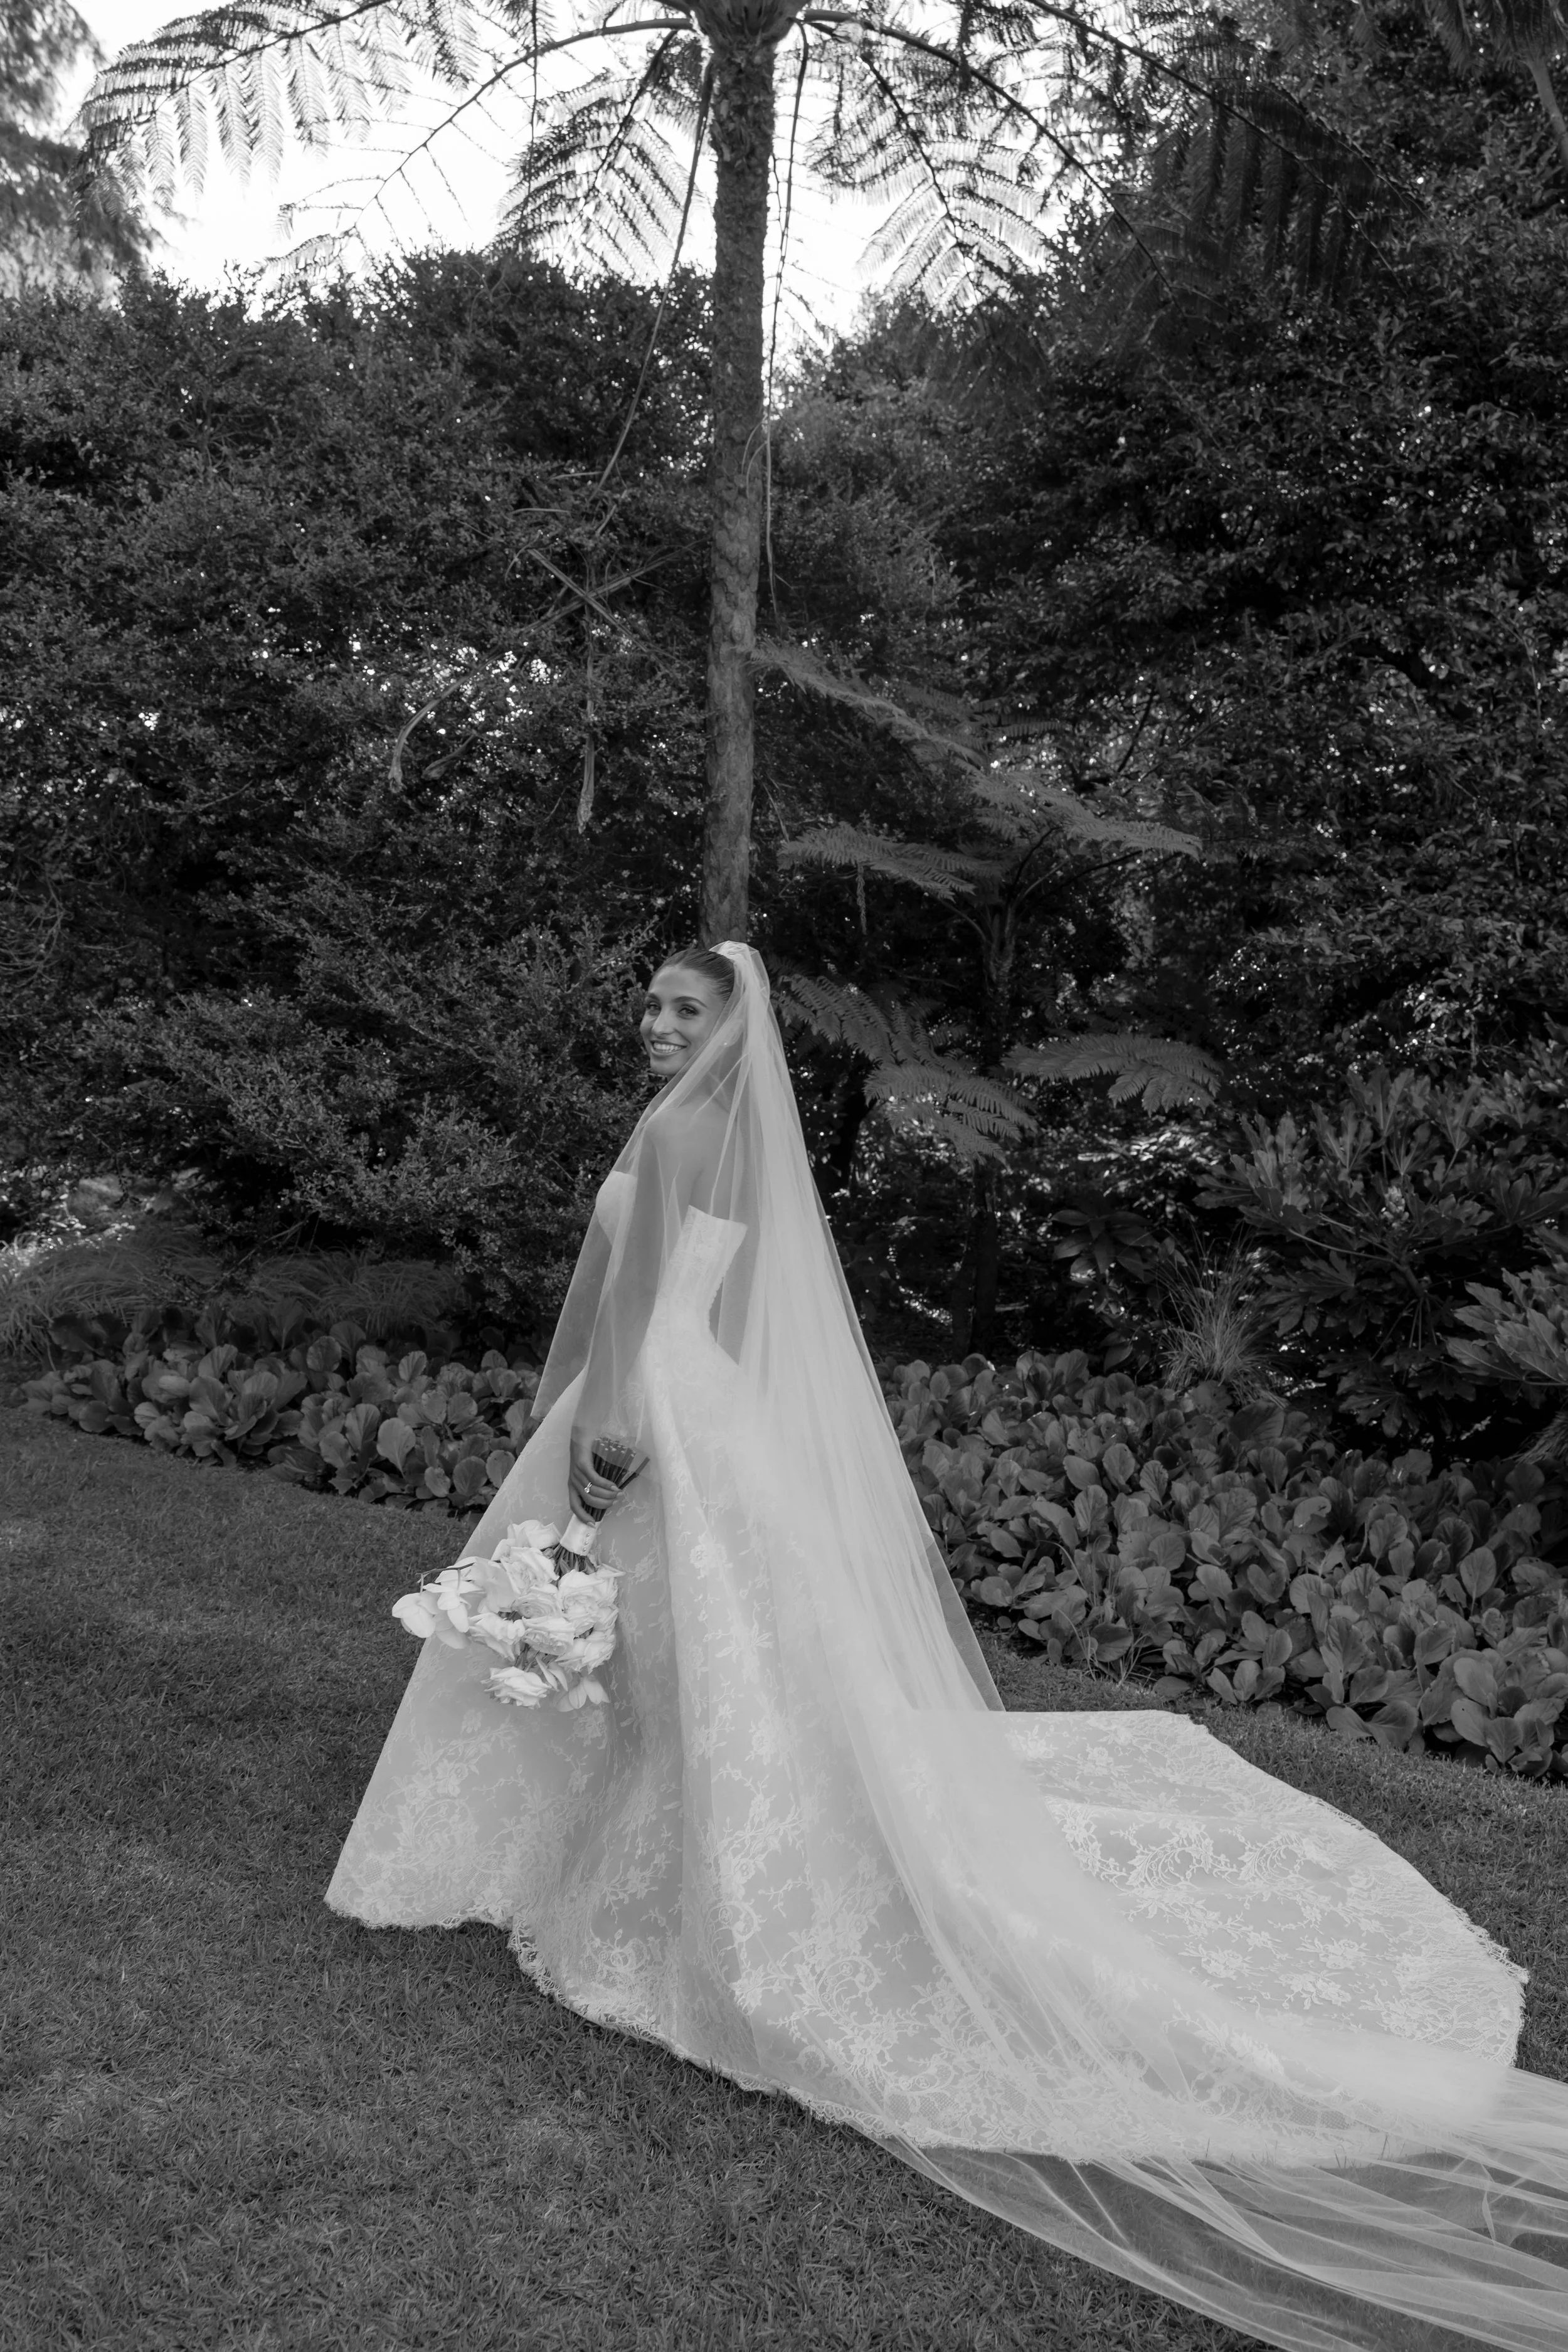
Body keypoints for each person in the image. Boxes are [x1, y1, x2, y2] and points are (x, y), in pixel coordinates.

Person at [329, 942, 1568, 2351]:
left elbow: (629, 1309)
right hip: (698, 1410)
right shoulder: (724, 1133)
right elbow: (716, 1311)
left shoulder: (683, 1128)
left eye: (686, 1009)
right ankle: (676, 1842)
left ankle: (678, 1873)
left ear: (735, 1033)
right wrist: (670, 1408)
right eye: (654, 1003)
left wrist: (601, 1439)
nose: (656, 1022)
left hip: (646, 1422)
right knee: (705, 1666)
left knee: (668, 1657)